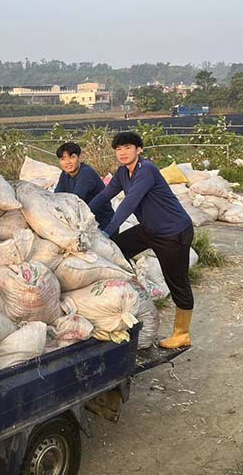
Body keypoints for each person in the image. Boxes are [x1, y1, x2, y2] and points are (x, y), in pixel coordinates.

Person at [88, 131, 195, 348]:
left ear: (139, 149)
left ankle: (182, 333)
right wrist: (83, 213)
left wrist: (108, 230)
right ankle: (123, 297)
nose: (122, 153)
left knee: (177, 282)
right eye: (118, 149)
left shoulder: (147, 170)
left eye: (127, 147)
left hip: (173, 232)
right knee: (115, 249)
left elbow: (128, 204)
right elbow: (104, 196)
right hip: (150, 229)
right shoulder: (122, 173)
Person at [54, 142, 114, 230]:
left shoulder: (86, 173)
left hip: (102, 224)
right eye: (63, 159)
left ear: (80, 157)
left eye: (72, 157)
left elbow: (76, 200)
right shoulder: (65, 174)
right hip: (85, 222)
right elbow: (57, 196)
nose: (67, 162)